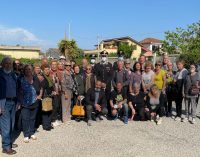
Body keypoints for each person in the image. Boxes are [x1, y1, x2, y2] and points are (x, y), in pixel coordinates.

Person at [19, 64, 43, 143]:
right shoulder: (21, 79)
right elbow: (18, 91)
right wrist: (20, 100)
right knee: (25, 119)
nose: (28, 71)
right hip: (24, 103)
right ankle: (26, 134)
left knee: (32, 118)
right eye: (26, 69)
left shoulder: (35, 78)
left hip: (34, 102)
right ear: (24, 70)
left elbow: (41, 87)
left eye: (29, 69)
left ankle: (32, 132)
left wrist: (39, 95)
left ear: (32, 70)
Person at [0, 57, 18, 155]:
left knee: (11, 124)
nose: (8, 65)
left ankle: (7, 143)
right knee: (5, 125)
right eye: (6, 63)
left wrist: (17, 101)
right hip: (3, 102)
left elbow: (16, 87)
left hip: (13, 101)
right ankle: (6, 147)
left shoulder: (13, 74)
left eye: (10, 63)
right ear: (2, 64)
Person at [41, 64, 54, 130]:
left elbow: (51, 86)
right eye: (45, 70)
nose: (47, 71)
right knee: (45, 111)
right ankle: (45, 126)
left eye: (48, 69)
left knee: (49, 110)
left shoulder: (49, 77)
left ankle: (48, 124)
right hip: (45, 96)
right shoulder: (42, 77)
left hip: (49, 95)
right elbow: (44, 87)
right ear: (43, 70)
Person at [50, 60, 62, 127]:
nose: (54, 66)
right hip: (53, 92)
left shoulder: (59, 72)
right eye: (53, 64)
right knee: (55, 106)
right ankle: (53, 120)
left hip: (59, 92)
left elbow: (61, 82)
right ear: (51, 65)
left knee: (58, 106)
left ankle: (56, 118)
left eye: (55, 64)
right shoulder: (49, 73)